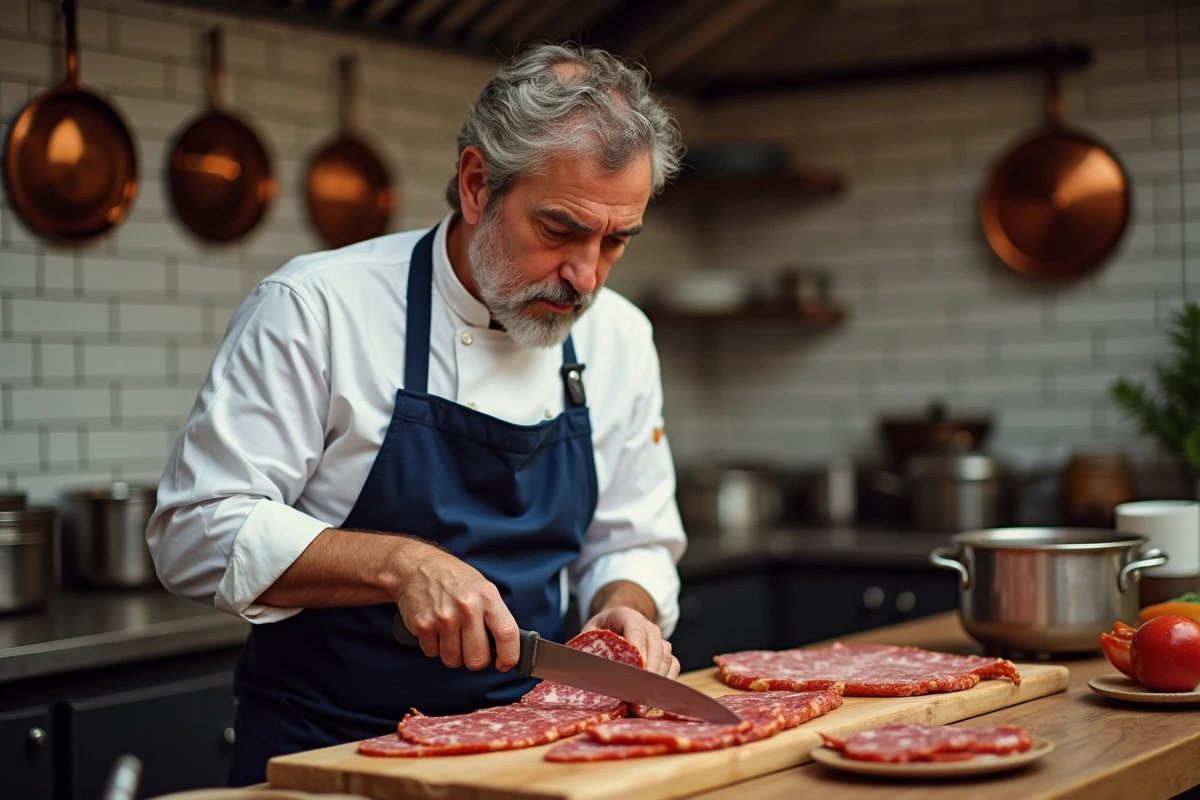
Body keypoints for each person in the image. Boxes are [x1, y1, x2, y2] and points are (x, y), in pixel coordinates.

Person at [146, 42, 689, 785]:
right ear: (476, 186)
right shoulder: (319, 308)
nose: (586, 276)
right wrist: (398, 564)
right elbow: (193, 530)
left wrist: (626, 608)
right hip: (327, 756)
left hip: (533, 752)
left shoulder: (619, 335)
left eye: (617, 240)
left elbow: (634, 536)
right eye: (559, 230)